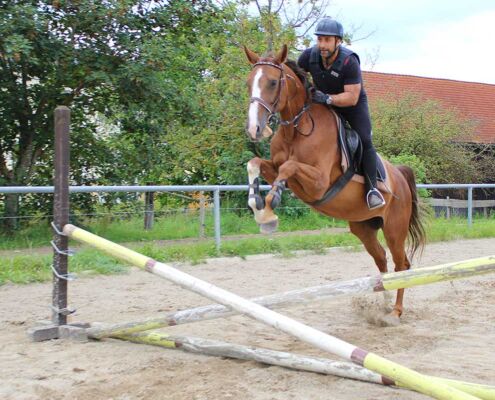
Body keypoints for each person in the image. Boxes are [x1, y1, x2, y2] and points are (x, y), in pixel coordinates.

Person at [297, 17, 385, 210]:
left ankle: (372, 190)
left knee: (365, 138)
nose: (322, 44)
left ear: (338, 41)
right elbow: (295, 80)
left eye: (327, 40)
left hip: (352, 107)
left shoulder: (349, 61)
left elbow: (352, 97)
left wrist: (327, 98)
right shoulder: (308, 57)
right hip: (323, 104)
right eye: (319, 39)